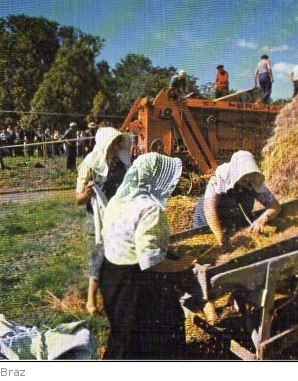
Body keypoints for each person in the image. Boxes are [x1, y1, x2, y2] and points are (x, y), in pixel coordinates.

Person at [99, 153, 195, 360]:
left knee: (123, 334)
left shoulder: (119, 199)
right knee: (161, 330)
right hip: (136, 282)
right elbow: (150, 261)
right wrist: (182, 264)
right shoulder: (150, 208)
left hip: (112, 275)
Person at [75, 127, 131, 316]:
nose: (117, 146)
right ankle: (91, 301)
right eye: (114, 143)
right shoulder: (90, 165)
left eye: (118, 143)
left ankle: (116, 297)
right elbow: (78, 199)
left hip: (118, 217)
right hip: (97, 219)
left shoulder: (121, 163)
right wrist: (87, 193)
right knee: (98, 259)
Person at [193, 150, 281, 246]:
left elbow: (275, 205)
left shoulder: (254, 180)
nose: (248, 179)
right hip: (208, 220)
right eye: (244, 175)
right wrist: (221, 238)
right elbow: (209, 209)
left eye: (250, 175)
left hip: (231, 221)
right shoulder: (220, 178)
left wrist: (263, 218)